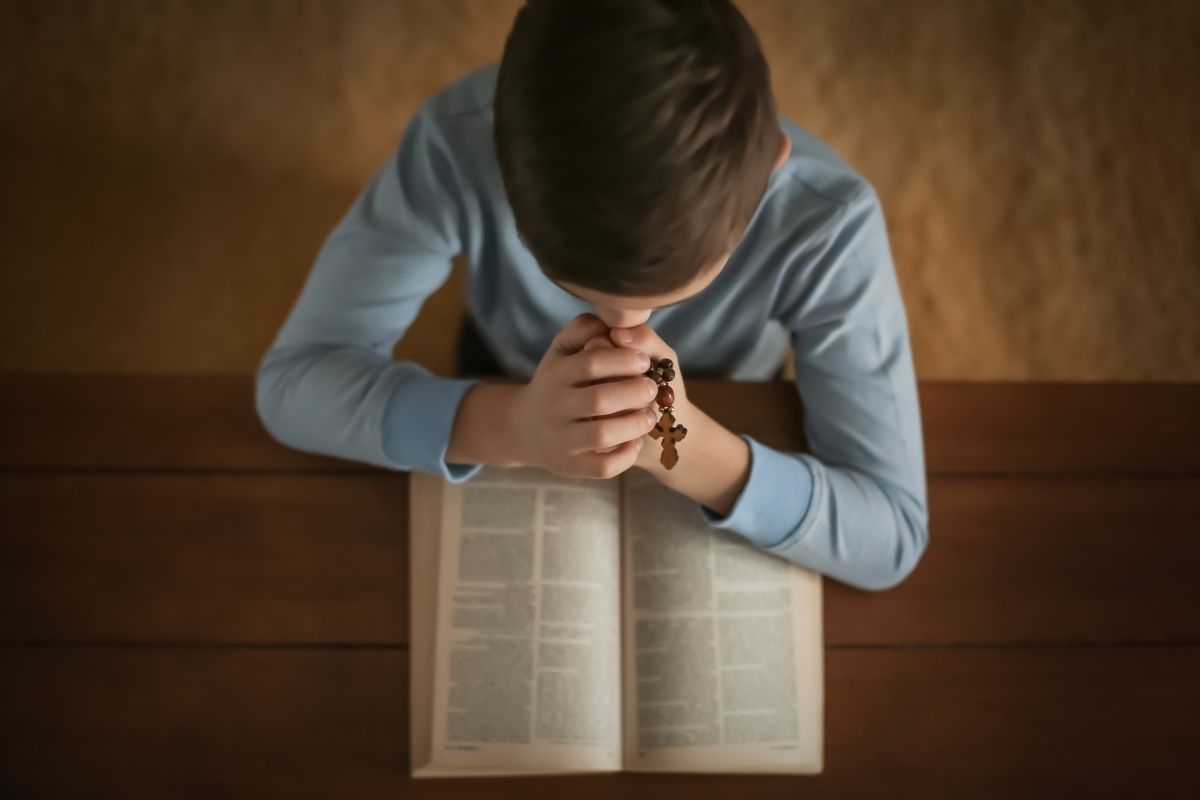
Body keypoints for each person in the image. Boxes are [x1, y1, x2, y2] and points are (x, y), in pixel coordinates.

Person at [255, 0, 927, 591]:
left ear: (772, 170)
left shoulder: (831, 223)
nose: (623, 332)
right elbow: (292, 385)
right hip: (501, 363)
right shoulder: (453, 142)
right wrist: (514, 426)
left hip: (731, 389)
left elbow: (893, 533)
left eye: (671, 294)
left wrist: (681, 444)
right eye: (574, 288)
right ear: (501, 163)